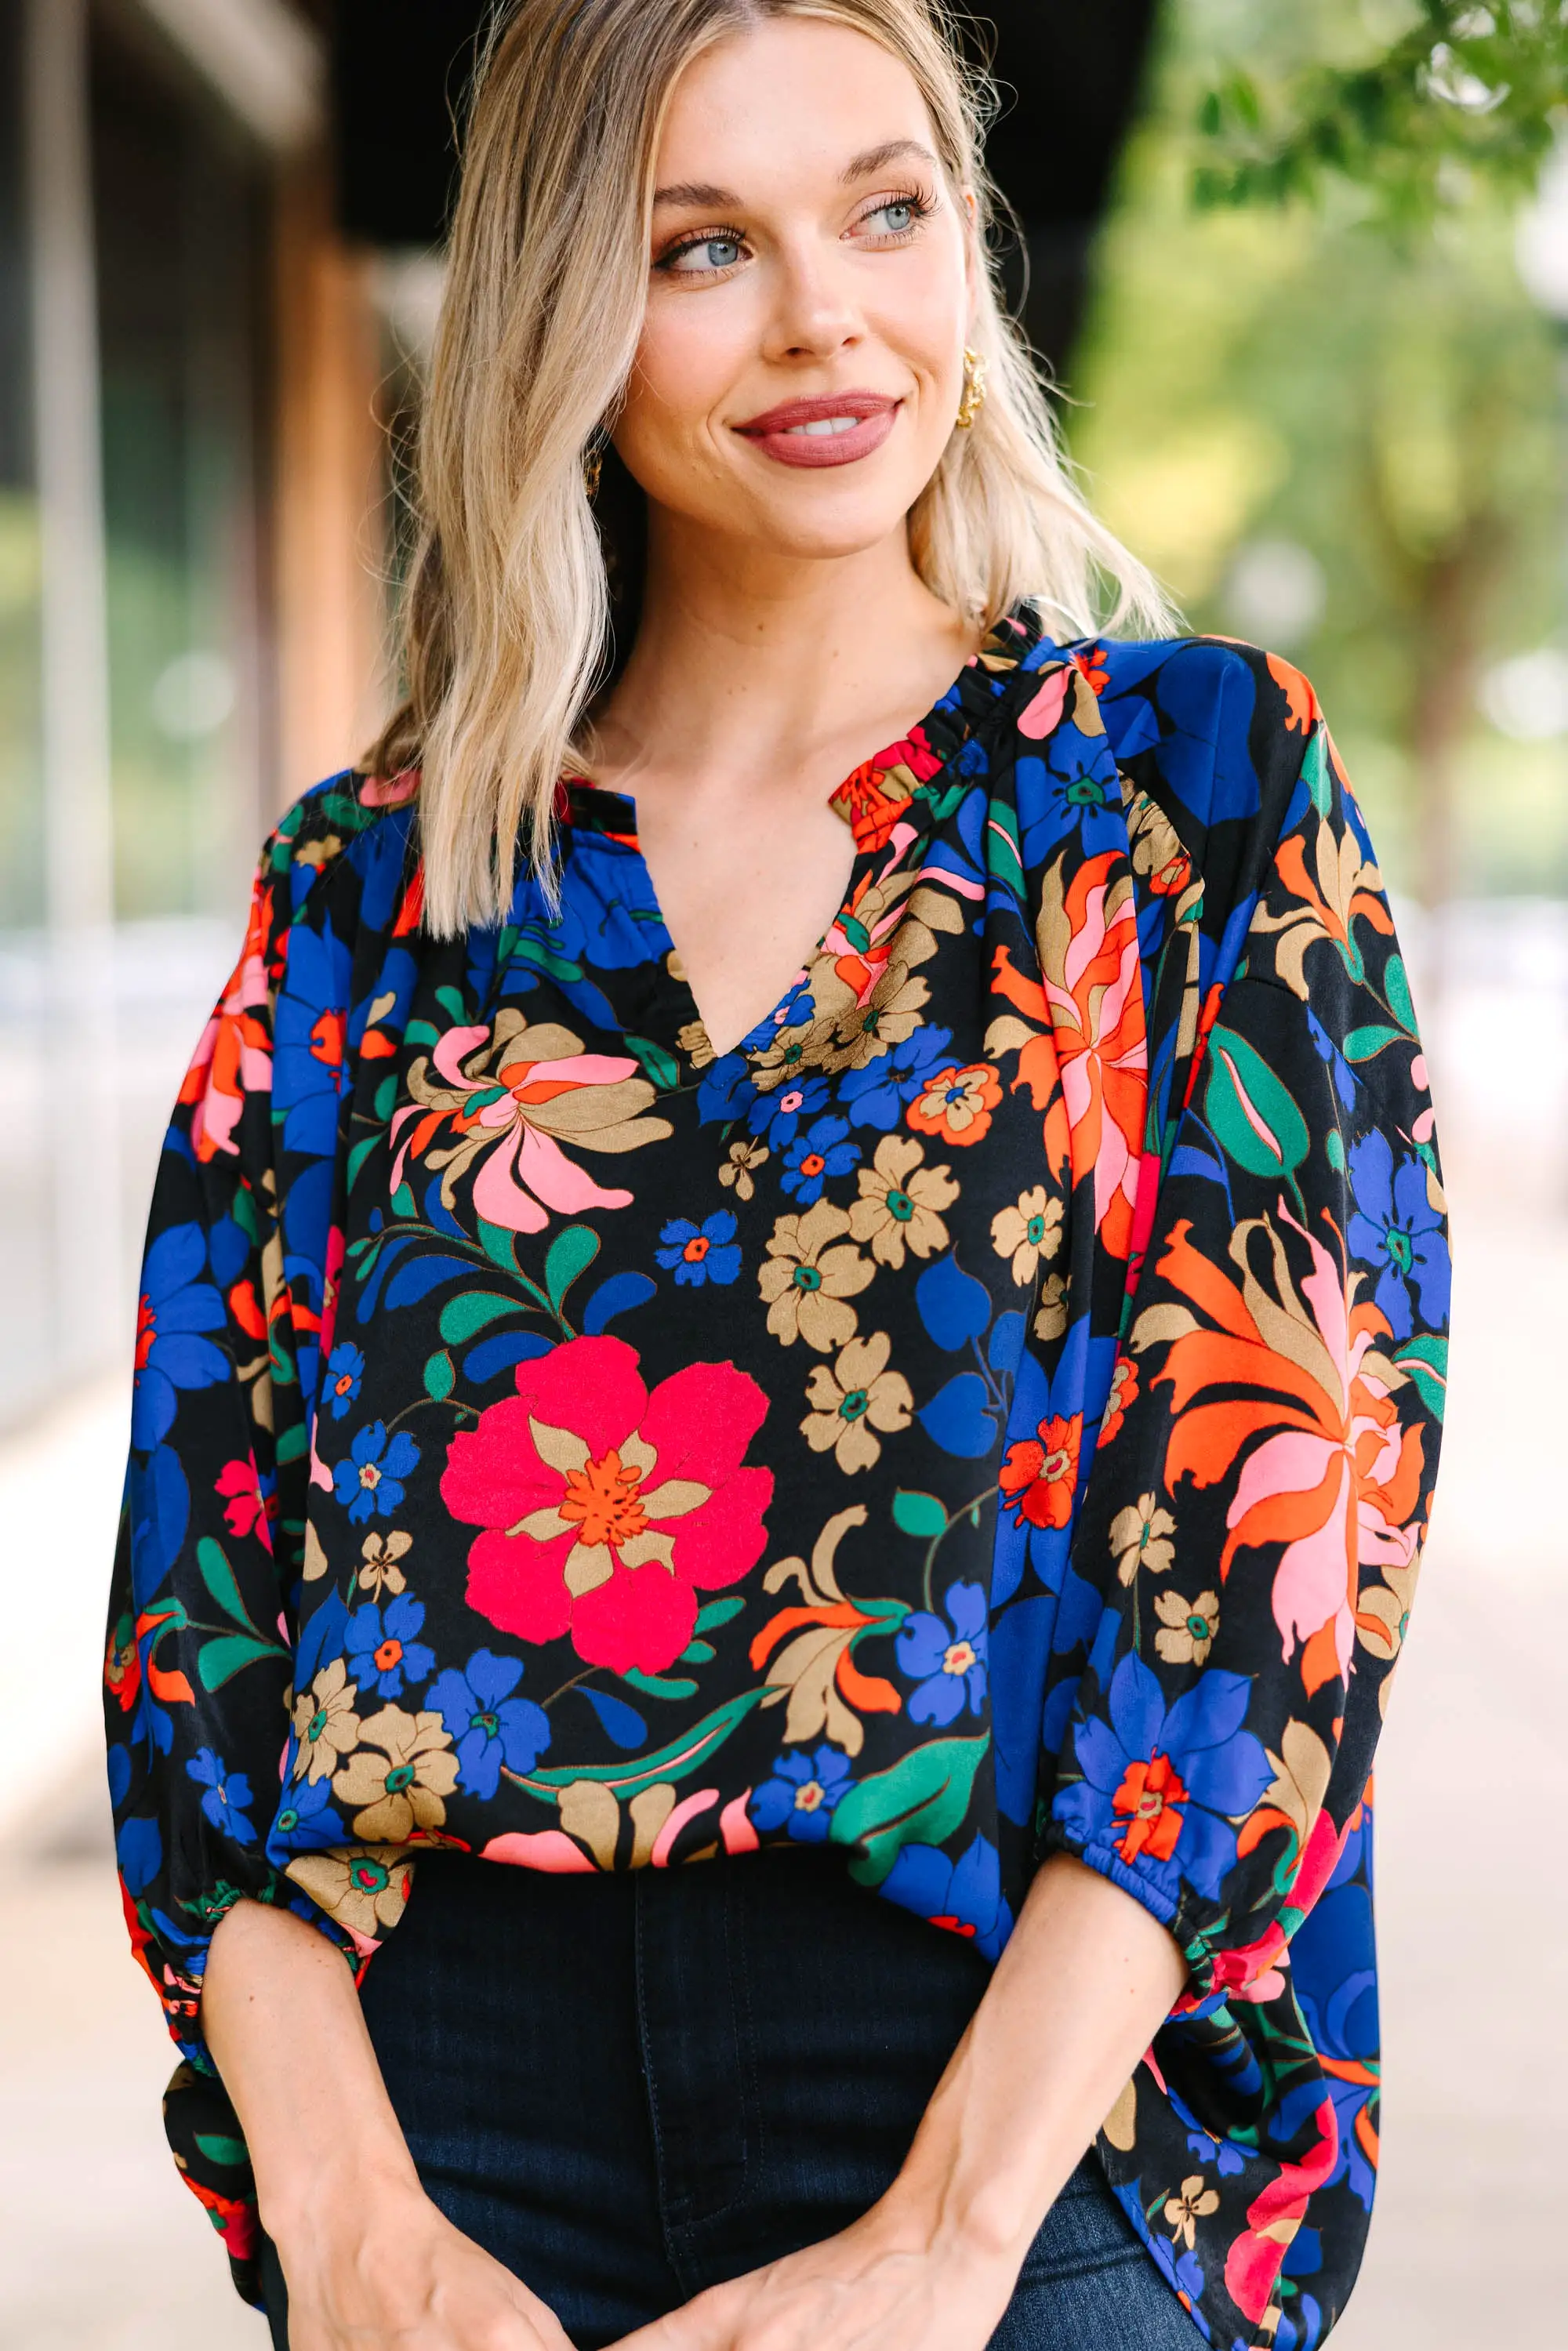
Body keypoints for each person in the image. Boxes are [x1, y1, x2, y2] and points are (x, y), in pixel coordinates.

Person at [102, 3, 1449, 2347]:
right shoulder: (371, 892)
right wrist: (351, 2232)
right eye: (703, 244)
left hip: (1015, 2124)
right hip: (448, 2129)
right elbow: (202, 1622)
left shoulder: (1185, 796)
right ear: (566, 317)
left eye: (888, 207)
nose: (829, 313)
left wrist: (946, 2238)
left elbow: (1280, 1568)